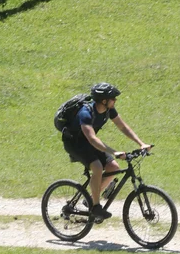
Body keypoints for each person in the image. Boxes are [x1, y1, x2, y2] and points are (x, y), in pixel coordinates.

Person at [62, 82, 151, 222]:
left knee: (113, 168)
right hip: (75, 143)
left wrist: (141, 143)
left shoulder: (109, 110)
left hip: (89, 142)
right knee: (97, 167)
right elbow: (91, 138)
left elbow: (123, 127)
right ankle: (96, 207)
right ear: (104, 100)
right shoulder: (85, 113)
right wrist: (113, 152)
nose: (115, 100)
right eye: (113, 98)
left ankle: (91, 200)